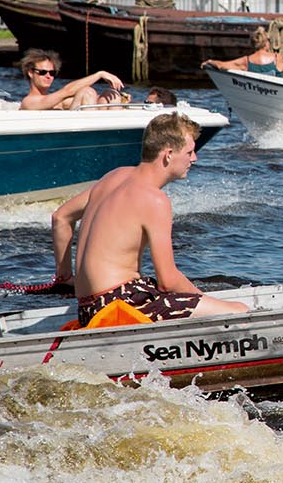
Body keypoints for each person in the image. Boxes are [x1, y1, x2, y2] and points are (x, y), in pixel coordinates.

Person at [71, 112, 248, 325]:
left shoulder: (114, 176)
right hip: (119, 306)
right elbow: (168, 280)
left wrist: (64, 278)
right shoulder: (154, 199)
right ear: (168, 154)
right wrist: (204, 299)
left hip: (87, 307)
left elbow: (60, 217)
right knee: (240, 311)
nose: (194, 158)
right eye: (190, 152)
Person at [18, 48, 123, 110]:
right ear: (31, 73)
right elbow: (67, 91)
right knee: (86, 92)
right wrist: (99, 74)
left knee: (110, 94)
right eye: (43, 72)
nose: (48, 76)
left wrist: (119, 100)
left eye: (52, 72)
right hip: (60, 140)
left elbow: (66, 98)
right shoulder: (28, 102)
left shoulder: (55, 100)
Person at [201, 26, 283, 81]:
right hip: (278, 87)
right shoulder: (276, 57)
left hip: (261, 90)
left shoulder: (246, 61)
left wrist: (210, 61)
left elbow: (221, 65)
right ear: (267, 44)